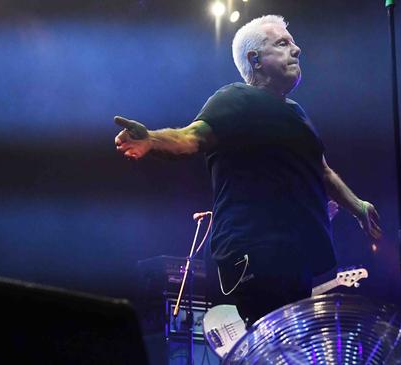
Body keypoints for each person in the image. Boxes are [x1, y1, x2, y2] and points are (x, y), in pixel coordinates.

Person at [114, 15, 381, 326]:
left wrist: (358, 206)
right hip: (255, 251)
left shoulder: (297, 113)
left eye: (293, 43)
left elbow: (322, 171)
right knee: (272, 343)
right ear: (254, 59)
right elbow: (190, 138)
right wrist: (151, 140)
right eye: (282, 44)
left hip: (297, 256)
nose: (296, 50)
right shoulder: (235, 99)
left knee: (286, 346)